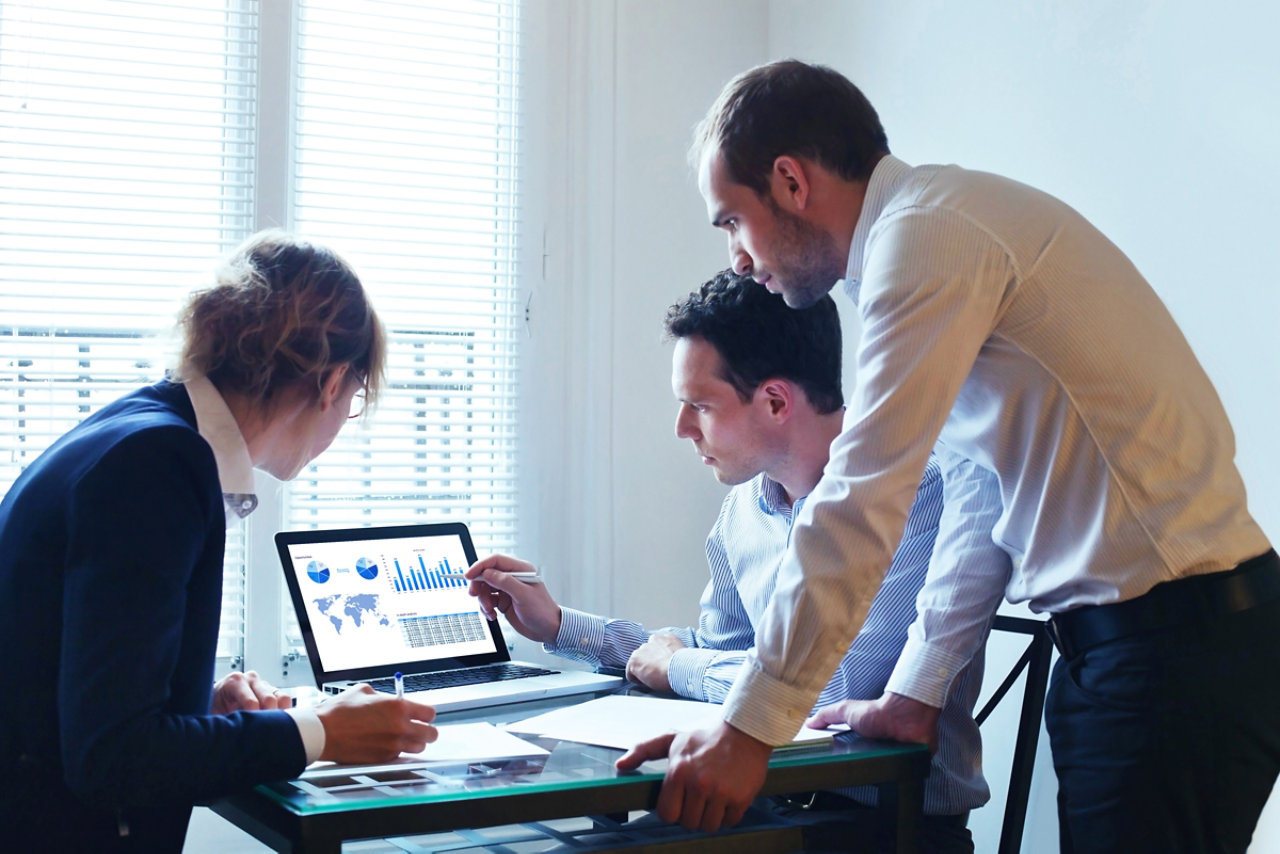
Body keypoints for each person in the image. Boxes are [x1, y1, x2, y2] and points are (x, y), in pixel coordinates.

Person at [618, 59, 1280, 854]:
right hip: (1140, 650)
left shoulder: (927, 238)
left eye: (731, 220)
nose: (737, 257)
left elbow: (863, 497)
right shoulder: (929, 233)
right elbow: (977, 492)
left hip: (1173, 652)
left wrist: (749, 730)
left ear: (791, 183)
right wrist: (915, 696)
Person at [468, 270, 1003, 853]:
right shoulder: (742, 511)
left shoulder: (918, 491)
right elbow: (725, 656)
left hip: (883, 827)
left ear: (774, 401)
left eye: (699, 405)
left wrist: (677, 667)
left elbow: (825, 692)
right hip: (759, 804)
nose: (681, 429)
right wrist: (562, 626)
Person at [0, 230, 438, 852]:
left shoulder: (134, 429)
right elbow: (112, 757)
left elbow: (76, 689)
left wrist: (201, 707)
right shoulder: (160, 463)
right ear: (333, 382)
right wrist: (315, 732)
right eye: (358, 397)